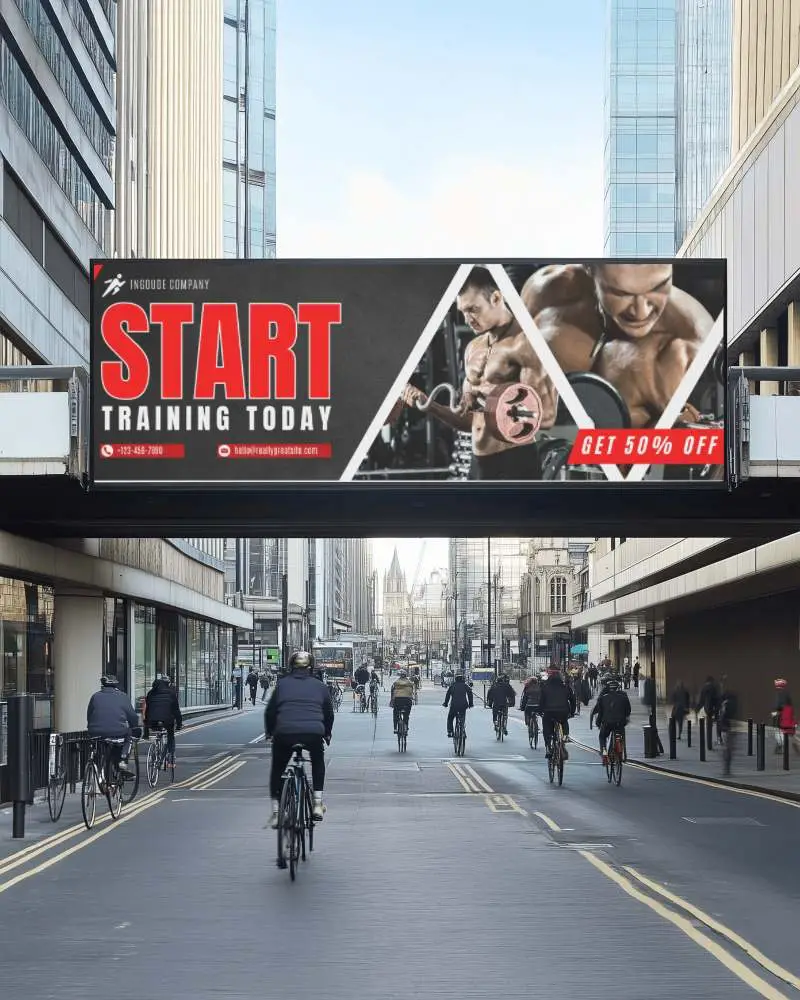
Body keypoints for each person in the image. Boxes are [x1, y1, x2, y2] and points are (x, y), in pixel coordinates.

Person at [399, 266, 558, 480]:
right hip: (479, 464)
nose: (467, 319)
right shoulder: (472, 348)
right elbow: (469, 420)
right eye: (463, 311)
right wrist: (430, 405)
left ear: (495, 298)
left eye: (473, 309)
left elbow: (546, 415)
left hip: (514, 461)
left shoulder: (527, 344)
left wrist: (495, 399)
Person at [521, 262, 715, 429]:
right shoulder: (547, 292)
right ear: (589, 267)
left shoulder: (690, 342)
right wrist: (526, 359)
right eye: (620, 293)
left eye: (658, 287)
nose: (641, 312)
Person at [265, 650, 333, 829]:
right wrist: (327, 733)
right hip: (313, 733)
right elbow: (328, 713)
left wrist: (270, 732)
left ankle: (276, 812)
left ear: (291, 666)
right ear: (311, 667)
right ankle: (317, 804)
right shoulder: (320, 686)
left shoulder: (282, 685)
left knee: (278, 768)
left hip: (284, 733)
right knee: (317, 761)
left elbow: (270, 711)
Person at [86, 675, 139, 773]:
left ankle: (99, 768)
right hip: (117, 731)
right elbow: (133, 716)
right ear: (116, 684)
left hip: (95, 731)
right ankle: (123, 759)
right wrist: (135, 726)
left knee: (99, 744)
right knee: (129, 734)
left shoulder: (95, 696)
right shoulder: (122, 696)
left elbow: (89, 715)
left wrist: (91, 727)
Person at [590, 676, 631, 763]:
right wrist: (624, 718)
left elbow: (600, 714)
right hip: (620, 723)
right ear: (618, 688)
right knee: (619, 734)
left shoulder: (603, 698)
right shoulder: (623, 697)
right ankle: (619, 749)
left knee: (602, 736)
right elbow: (628, 711)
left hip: (607, 723)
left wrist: (598, 723)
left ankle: (604, 751)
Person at [144, 673, 183, 764]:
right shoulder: (171, 693)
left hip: (152, 721)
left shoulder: (150, 693)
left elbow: (147, 710)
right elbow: (176, 711)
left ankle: (155, 752)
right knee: (170, 735)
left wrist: (146, 728)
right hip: (167, 720)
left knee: (157, 729)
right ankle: (171, 756)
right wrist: (179, 724)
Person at [539, 666, 576, 759]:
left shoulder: (545, 686)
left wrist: (540, 711)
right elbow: (572, 699)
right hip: (563, 711)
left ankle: (548, 747)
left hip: (549, 711)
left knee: (547, 727)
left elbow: (541, 701)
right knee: (564, 720)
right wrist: (572, 712)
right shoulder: (565, 686)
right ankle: (565, 736)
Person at [444, 671, 474, 737]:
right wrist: (471, 703)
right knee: (462, 717)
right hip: (463, 705)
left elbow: (448, 695)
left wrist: (445, 703)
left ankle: (450, 731)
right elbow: (470, 694)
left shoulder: (452, 686)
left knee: (450, 718)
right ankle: (462, 729)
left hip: (454, 705)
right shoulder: (465, 686)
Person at [390, 669, 415, 734]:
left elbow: (392, 692)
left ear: (400, 676)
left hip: (398, 700)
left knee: (395, 713)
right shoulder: (410, 683)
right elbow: (412, 692)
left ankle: (395, 728)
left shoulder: (396, 683)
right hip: (407, 700)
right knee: (406, 714)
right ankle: (406, 726)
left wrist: (392, 701)